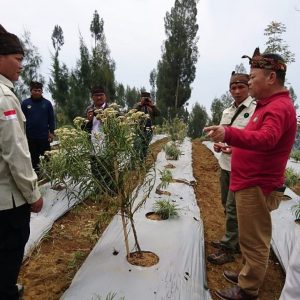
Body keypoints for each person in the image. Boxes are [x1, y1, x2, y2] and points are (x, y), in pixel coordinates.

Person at [204, 48, 297, 300]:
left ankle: (248, 290)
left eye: (253, 78)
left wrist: (229, 134)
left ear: (270, 78)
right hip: (248, 181)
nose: (249, 83)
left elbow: (267, 139)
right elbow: (260, 141)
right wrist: (234, 146)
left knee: (254, 241)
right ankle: (248, 272)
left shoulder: (278, 108)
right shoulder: (268, 105)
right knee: (247, 236)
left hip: (257, 185)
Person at [0, 24, 43, 299]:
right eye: (17, 59)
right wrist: (33, 193)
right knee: (8, 254)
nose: (21, 66)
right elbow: (15, 151)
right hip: (8, 202)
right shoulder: (5, 96)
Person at [207, 72, 256, 265]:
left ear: (249, 87)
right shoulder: (227, 111)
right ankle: (233, 238)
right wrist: (217, 143)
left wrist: (236, 148)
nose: (236, 91)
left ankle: (228, 247)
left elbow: (254, 139)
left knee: (233, 207)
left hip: (242, 168)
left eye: (241, 87)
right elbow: (222, 134)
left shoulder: (255, 109)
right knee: (225, 203)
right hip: (225, 165)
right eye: (233, 88)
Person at [21, 81, 55, 176]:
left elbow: (51, 119)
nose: (37, 92)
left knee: (47, 157)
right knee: (33, 157)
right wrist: (23, 134)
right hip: (30, 136)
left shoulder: (47, 104)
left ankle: (49, 175)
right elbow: (21, 120)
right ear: (31, 91)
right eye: (35, 90)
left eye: (39, 90)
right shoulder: (25, 103)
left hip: (44, 136)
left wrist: (51, 132)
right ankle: (36, 175)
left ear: (42, 92)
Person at [133, 91, 160, 160]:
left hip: (149, 129)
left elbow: (158, 113)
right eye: (144, 98)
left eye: (147, 98)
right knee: (138, 144)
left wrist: (152, 106)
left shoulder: (151, 106)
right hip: (139, 129)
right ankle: (136, 159)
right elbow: (133, 112)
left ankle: (143, 159)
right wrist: (141, 104)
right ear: (141, 98)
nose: (146, 100)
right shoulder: (138, 105)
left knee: (146, 145)